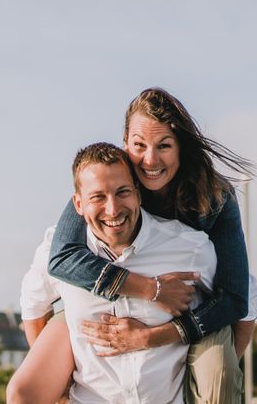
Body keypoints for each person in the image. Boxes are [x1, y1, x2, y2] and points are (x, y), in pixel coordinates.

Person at [9, 88, 257, 403]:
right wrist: (150, 289)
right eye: (140, 145)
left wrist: (156, 337)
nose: (150, 159)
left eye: (164, 145)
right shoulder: (104, 184)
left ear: (181, 148)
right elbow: (61, 259)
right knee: (24, 387)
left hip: (192, 308)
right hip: (97, 299)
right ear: (125, 144)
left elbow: (238, 297)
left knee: (218, 375)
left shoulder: (212, 201)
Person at [12, 143, 217, 403]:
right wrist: (58, 379)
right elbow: (32, 307)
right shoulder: (55, 252)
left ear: (138, 193)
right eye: (98, 197)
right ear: (78, 203)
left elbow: (241, 305)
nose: (113, 209)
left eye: (123, 193)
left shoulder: (189, 247)